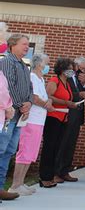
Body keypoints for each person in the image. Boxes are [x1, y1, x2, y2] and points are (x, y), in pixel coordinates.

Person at [9, 54, 54, 196]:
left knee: (31, 153)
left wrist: (49, 102)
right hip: (31, 119)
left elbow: (46, 97)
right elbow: (33, 97)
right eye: (46, 63)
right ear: (39, 64)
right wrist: (46, 105)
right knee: (25, 151)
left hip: (40, 120)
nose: (48, 65)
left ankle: (21, 183)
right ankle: (15, 185)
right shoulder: (32, 77)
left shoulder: (41, 79)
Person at [0, 34, 33, 201]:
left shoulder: (23, 65)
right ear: (12, 45)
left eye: (28, 45)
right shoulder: (7, 62)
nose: (27, 47)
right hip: (9, 114)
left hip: (20, 115)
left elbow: (30, 88)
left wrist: (29, 102)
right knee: (1, 149)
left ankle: (1, 188)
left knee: (10, 151)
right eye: (24, 44)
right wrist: (21, 104)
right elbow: (8, 87)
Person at [39, 57, 78, 188]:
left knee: (56, 148)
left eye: (73, 70)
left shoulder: (67, 83)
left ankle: (51, 176)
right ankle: (44, 177)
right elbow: (48, 96)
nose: (72, 72)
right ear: (62, 69)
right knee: (49, 148)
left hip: (63, 118)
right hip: (53, 117)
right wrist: (66, 103)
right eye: (70, 69)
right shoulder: (54, 80)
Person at [55, 56, 85, 182]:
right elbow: (67, 94)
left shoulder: (79, 79)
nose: (84, 71)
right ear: (76, 65)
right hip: (68, 114)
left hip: (77, 115)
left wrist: (83, 84)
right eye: (83, 68)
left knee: (71, 145)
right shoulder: (67, 77)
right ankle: (56, 172)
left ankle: (65, 171)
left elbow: (83, 95)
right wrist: (79, 94)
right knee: (62, 144)